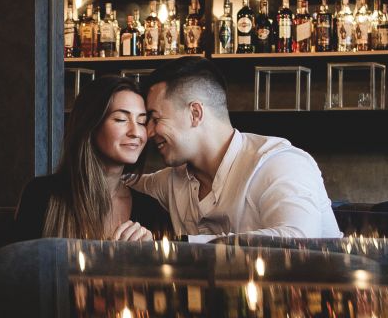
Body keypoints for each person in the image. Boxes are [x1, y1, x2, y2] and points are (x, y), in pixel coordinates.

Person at [134, 57, 340, 240]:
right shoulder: (173, 180)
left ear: (195, 113)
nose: (148, 132)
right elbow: (120, 184)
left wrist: (181, 246)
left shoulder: (278, 162)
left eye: (155, 119)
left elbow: (298, 241)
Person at [12, 76, 171, 243]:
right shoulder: (41, 195)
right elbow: (21, 259)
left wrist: (149, 253)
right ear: (91, 124)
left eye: (142, 122)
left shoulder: (151, 211)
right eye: (121, 119)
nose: (136, 132)